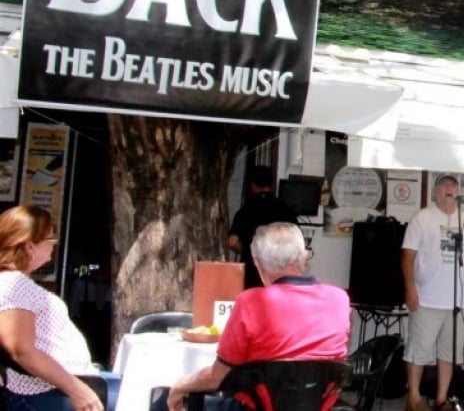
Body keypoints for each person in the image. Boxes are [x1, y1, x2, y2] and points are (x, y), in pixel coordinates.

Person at [166, 222, 350, 411]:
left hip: (258, 407)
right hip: (317, 406)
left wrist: (181, 385)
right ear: (304, 257)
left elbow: (218, 377)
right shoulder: (339, 300)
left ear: (258, 263)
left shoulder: (251, 302)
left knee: (163, 402)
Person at [0, 205, 121, 411]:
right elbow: (21, 350)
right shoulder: (14, 284)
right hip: (46, 393)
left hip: (58, 387)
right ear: (30, 246)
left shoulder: (16, 282)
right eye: (50, 238)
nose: (54, 245)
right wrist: (77, 390)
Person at [401, 174, 464, 411]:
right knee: (418, 351)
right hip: (426, 298)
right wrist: (410, 289)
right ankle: (414, 397)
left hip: (457, 303)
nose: (450, 189)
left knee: (449, 353)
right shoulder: (422, 218)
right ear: (436, 192)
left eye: (454, 185)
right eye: (445, 185)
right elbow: (408, 255)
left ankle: (441, 399)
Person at [227, 166, 298, 289]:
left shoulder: (245, 210)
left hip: (252, 271)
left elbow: (232, 241)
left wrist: (247, 251)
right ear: (271, 186)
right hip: (280, 272)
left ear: (252, 185)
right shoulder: (286, 211)